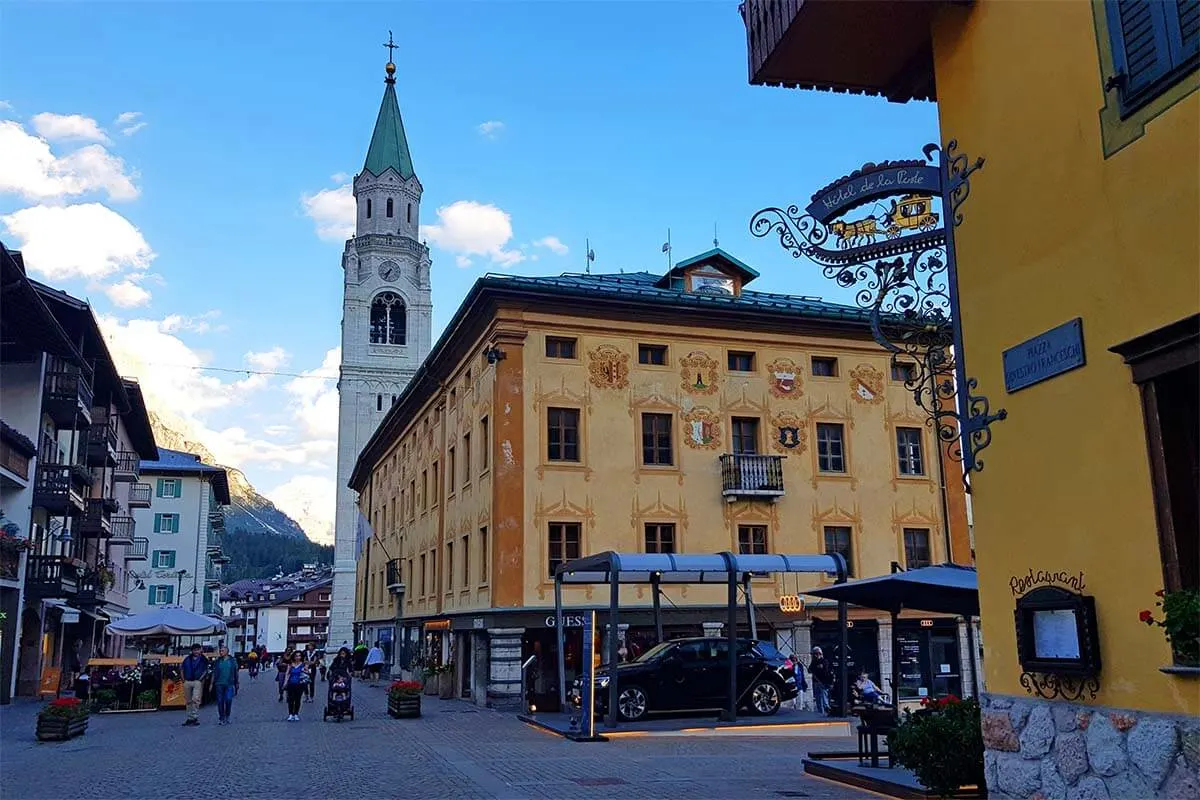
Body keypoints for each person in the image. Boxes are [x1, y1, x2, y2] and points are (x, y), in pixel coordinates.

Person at [180, 643, 210, 727]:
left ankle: (195, 716)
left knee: (195, 699)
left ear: (200, 650)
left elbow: (206, 670)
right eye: (195, 650)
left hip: (197, 681)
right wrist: (183, 680)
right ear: (192, 651)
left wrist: (200, 679)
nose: (196, 651)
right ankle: (190, 718)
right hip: (187, 681)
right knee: (188, 701)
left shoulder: (203, 659)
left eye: (198, 649)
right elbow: (182, 669)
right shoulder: (187, 659)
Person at [212, 645, 240, 725]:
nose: (221, 652)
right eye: (220, 651)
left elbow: (236, 672)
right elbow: (214, 672)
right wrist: (212, 683)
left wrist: (237, 682)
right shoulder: (217, 661)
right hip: (219, 683)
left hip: (229, 683)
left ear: (227, 652)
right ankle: (221, 717)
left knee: (228, 700)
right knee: (220, 701)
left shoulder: (232, 661)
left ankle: (227, 715)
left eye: (222, 651)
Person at [284, 651, 309, 721]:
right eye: (296, 656)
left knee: (298, 699)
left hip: (300, 684)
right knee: (291, 700)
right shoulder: (290, 664)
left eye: (299, 656)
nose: (298, 657)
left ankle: (296, 714)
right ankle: (290, 714)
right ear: (294, 657)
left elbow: (307, 673)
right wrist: (285, 683)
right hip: (291, 683)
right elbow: (287, 674)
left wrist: (305, 670)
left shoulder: (303, 664)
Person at [809, 646, 833, 716]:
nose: (816, 655)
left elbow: (825, 671)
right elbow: (810, 669)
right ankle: (820, 713)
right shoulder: (814, 662)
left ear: (820, 654)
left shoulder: (824, 661)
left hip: (823, 682)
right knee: (818, 699)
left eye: (817, 654)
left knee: (824, 698)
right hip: (816, 682)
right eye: (815, 654)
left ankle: (828, 711)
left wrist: (817, 668)